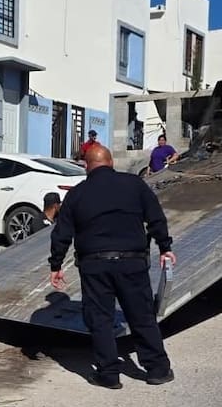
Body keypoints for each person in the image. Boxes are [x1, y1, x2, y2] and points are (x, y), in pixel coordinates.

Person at [48, 145, 176, 389]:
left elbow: (62, 233)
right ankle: (157, 369)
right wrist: (164, 247)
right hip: (132, 262)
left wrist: (56, 265)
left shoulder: (77, 193)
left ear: (87, 165)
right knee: (142, 316)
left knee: (101, 320)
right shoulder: (135, 185)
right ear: (111, 162)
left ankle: (108, 374)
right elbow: (156, 217)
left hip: (94, 265)